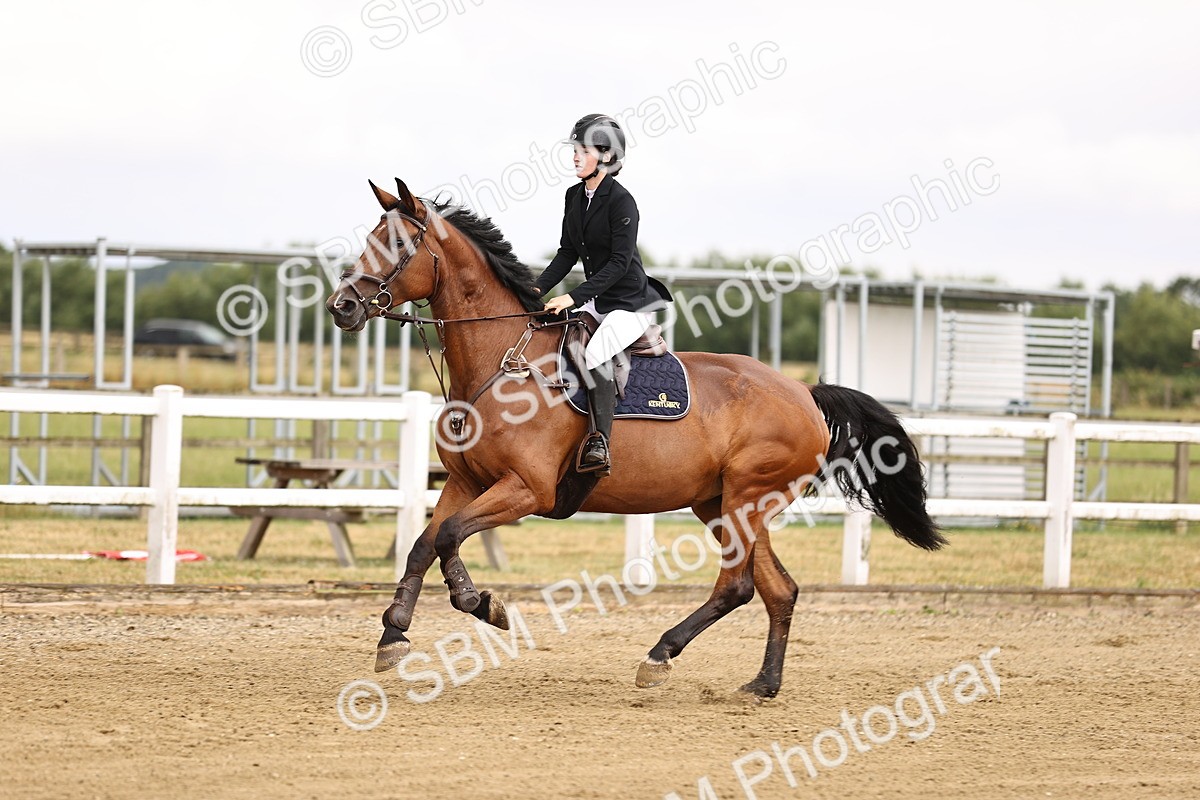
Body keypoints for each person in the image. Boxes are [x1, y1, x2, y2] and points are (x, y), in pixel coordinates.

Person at [534, 113, 673, 475]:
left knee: (595, 354)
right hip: (599, 300)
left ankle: (600, 442)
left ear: (607, 156)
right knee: (554, 335)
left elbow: (619, 263)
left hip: (630, 303)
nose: (575, 157)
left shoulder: (622, 201)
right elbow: (567, 253)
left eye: (584, 151)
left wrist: (573, 297)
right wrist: (536, 288)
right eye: (575, 150)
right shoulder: (574, 196)